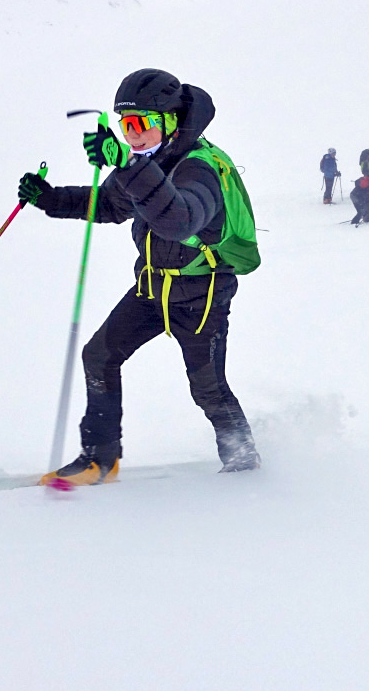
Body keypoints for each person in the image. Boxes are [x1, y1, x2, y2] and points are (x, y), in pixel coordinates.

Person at [17, 68, 261, 484]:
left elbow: (178, 221)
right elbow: (112, 205)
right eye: (125, 125)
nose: (132, 135)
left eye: (140, 123)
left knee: (207, 388)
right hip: (152, 289)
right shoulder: (152, 160)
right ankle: (99, 460)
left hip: (201, 296)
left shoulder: (199, 168)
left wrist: (127, 164)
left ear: (168, 121)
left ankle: (243, 461)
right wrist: (50, 198)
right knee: (100, 356)